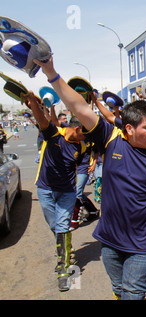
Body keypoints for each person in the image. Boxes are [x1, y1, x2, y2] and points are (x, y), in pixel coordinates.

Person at [34, 57, 146, 300]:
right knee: (120, 291)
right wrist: (51, 72)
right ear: (129, 129)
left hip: (145, 243)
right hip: (110, 240)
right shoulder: (111, 138)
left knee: (134, 293)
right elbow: (79, 107)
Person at [25, 93, 86, 292]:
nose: (86, 138)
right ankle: (66, 250)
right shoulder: (54, 134)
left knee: (62, 225)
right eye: (84, 133)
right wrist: (35, 103)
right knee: (54, 225)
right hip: (45, 189)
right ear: (76, 129)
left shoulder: (82, 146)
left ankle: (63, 268)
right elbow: (43, 121)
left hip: (67, 192)